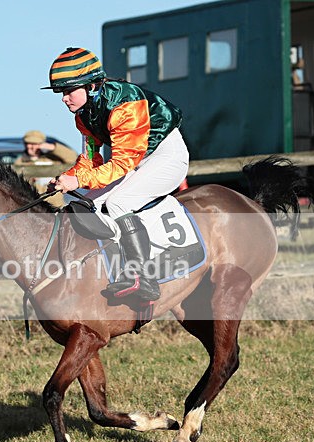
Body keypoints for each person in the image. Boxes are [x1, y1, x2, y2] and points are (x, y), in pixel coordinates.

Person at [44, 47, 189, 303]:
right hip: (137, 159)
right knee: (82, 201)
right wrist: (66, 180)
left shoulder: (125, 102)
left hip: (167, 156)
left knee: (119, 202)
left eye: (68, 91)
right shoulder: (83, 116)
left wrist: (78, 180)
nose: (64, 99)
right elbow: (91, 159)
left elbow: (122, 163)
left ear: (90, 86)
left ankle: (142, 278)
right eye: (61, 93)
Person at [15, 130, 78, 207]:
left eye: (36, 144)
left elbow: (73, 158)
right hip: (36, 206)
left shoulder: (53, 159)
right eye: (30, 144)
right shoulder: (20, 163)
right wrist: (30, 180)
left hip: (58, 205)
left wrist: (53, 147)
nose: (32, 147)